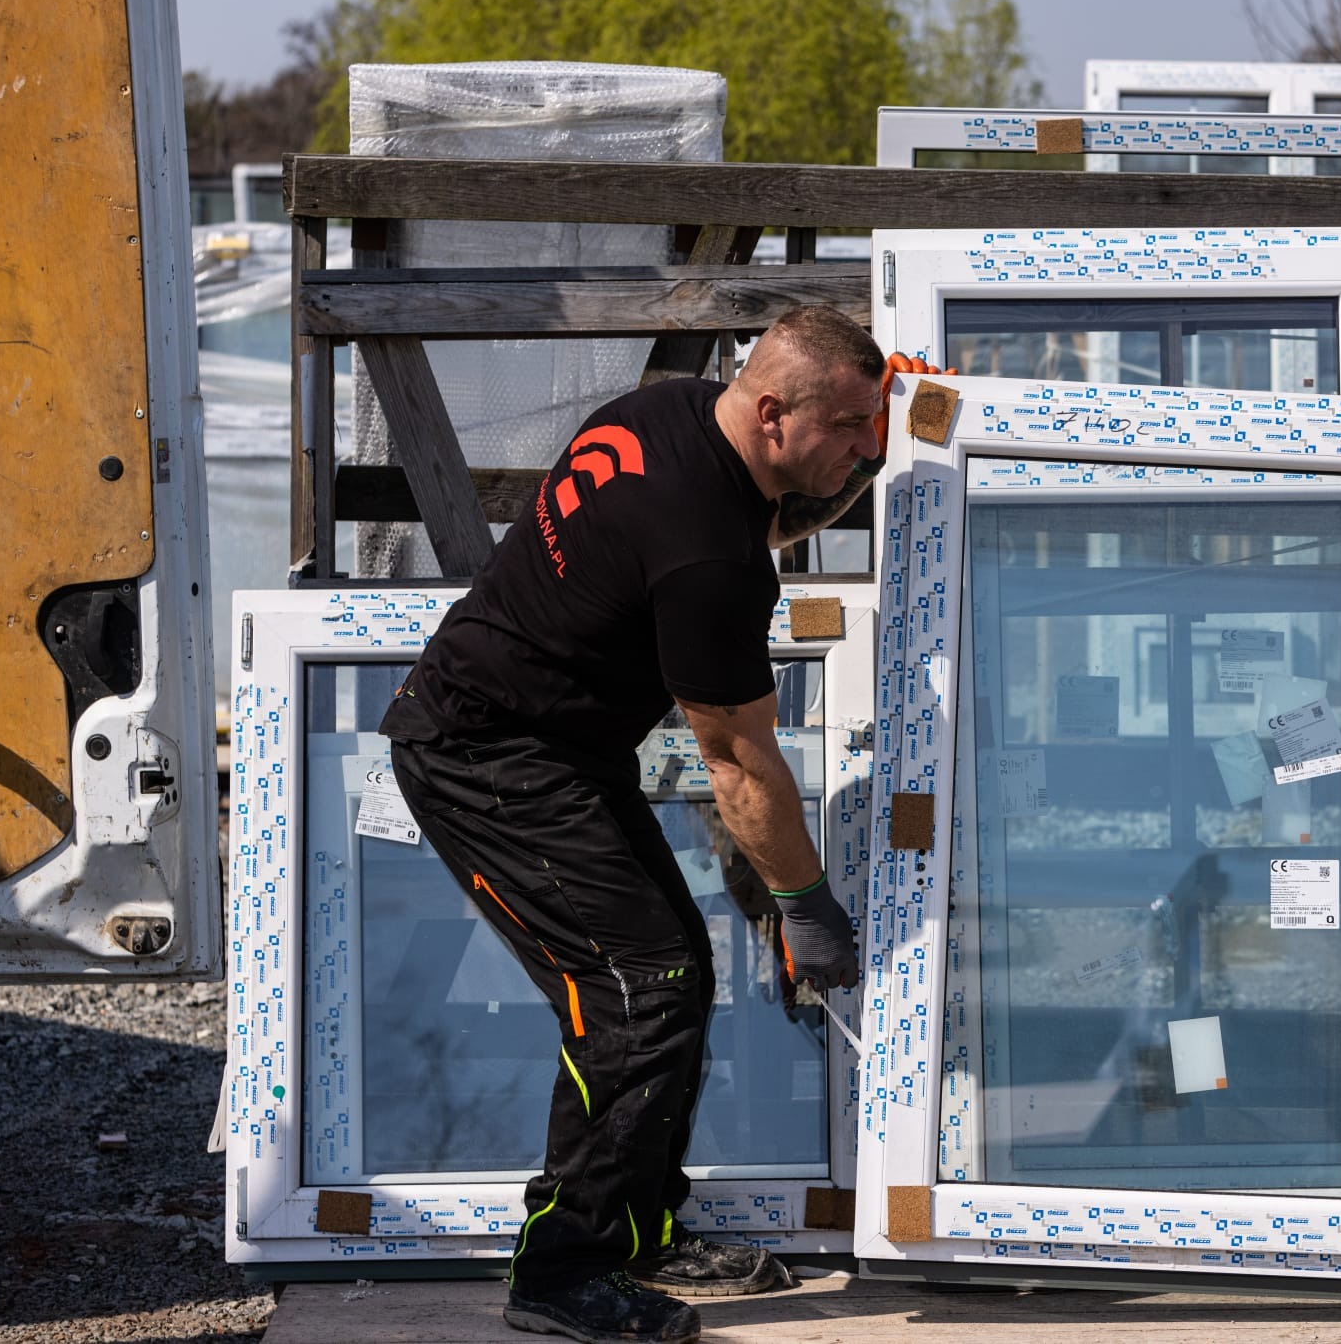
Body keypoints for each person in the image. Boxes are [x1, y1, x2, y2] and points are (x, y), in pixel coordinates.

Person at [379, 306, 941, 1344]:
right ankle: (563, 1270)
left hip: (550, 750)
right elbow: (736, 759)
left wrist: (870, 455)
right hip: (482, 759)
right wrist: (805, 905)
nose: (869, 444)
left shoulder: (676, 413)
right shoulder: (706, 558)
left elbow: (763, 522)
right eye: (854, 426)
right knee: (639, 990)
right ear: (774, 414)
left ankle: (637, 1227)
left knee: (667, 963)